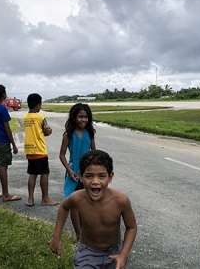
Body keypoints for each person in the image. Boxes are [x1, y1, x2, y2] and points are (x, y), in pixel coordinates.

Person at [50, 150, 137, 269]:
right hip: (87, 251)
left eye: (102, 176)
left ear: (110, 177)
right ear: (80, 176)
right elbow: (64, 207)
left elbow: (131, 227)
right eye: (89, 176)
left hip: (114, 253)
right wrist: (56, 237)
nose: (95, 181)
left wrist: (123, 255)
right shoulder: (77, 198)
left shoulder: (120, 201)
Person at [58, 103, 96, 238]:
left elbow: (94, 152)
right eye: (80, 117)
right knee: (75, 204)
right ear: (74, 117)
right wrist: (69, 170)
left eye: (86, 117)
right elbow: (62, 155)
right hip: (73, 173)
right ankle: (79, 235)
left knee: (87, 203)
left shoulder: (90, 133)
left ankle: (87, 231)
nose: (83, 120)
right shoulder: (68, 135)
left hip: (87, 173)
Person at [24, 93, 57, 206]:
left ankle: (30, 199)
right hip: (40, 150)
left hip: (29, 150)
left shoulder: (26, 117)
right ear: (38, 105)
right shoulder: (41, 117)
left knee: (32, 174)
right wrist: (50, 130)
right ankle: (45, 198)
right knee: (44, 173)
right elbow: (47, 131)